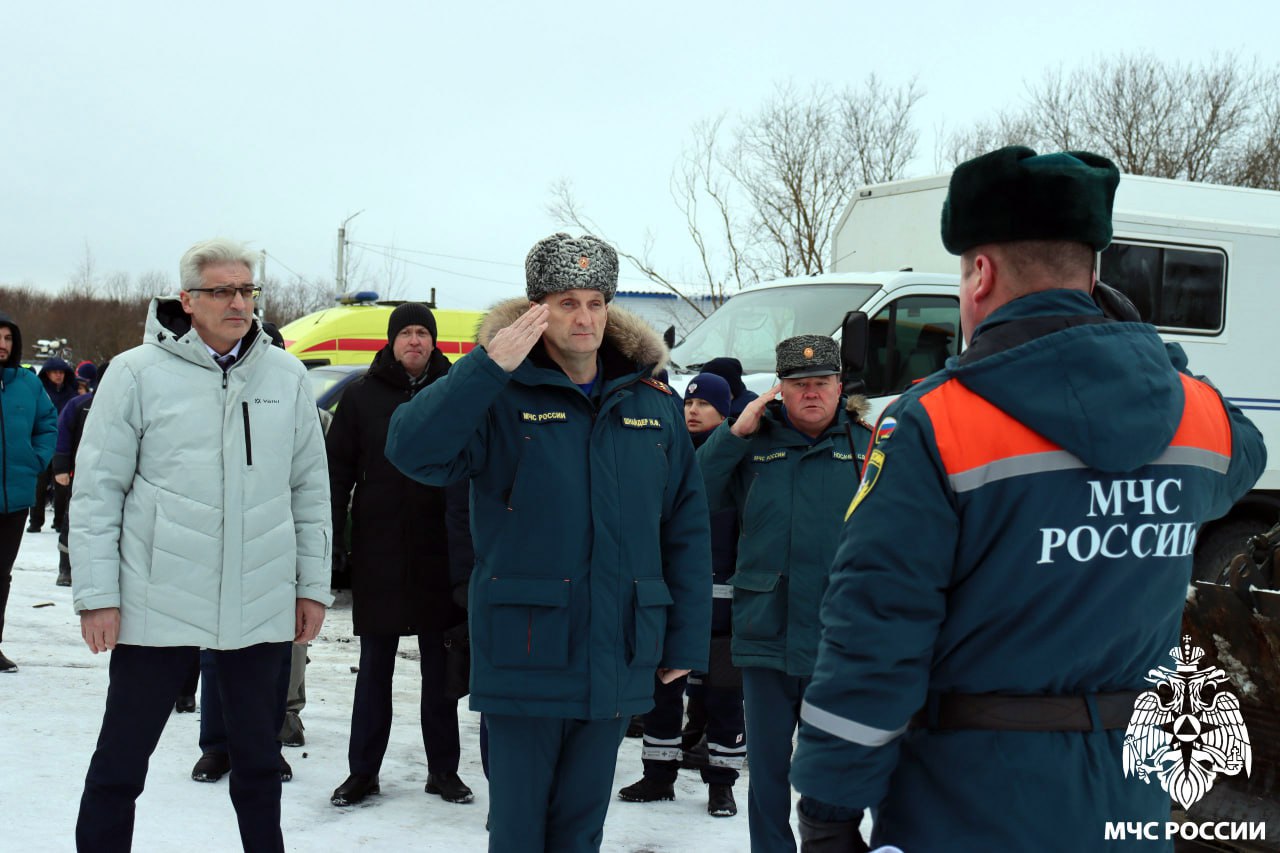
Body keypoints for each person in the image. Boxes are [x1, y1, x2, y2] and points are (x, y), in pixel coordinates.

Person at [790, 147, 1269, 852]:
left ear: (980, 272)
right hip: (1128, 799)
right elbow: (1247, 454)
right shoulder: (1194, 414)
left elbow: (876, 626)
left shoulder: (934, 421)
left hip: (969, 802)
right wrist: (1146, 356)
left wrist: (829, 810)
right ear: (1095, 274)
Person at [385, 232, 711, 853]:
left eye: (595, 301)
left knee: (581, 829)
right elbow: (412, 451)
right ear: (537, 308)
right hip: (526, 649)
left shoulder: (653, 402)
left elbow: (685, 528)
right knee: (517, 830)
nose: (583, 317)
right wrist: (485, 367)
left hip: (619, 647)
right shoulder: (498, 395)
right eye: (566, 302)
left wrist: (685, 634)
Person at [71, 238, 332, 853]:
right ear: (187, 300)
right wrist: (97, 596)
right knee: (120, 764)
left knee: (260, 765)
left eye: (247, 291)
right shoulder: (136, 373)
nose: (238, 302)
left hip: (258, 599)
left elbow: (309, 490)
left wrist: (311, 588)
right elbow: (97, 491)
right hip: (154, 601)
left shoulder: (286, 375)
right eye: (222, 291)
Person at [697, 334, 872, 853]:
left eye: (822, 383)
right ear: (779, 391)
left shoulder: (869, 447)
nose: (811, 393)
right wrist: (734, 430)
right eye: (799, 385)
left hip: (840, 638)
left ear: (840, 387)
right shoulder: (751, 444)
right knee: (769, 771)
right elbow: (693, 493)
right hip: (766, 632)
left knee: (835, 768)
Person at [326, 302, 477, 808]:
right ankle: (362, 773)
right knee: (375, 671)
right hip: (380, 551)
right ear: (392, 341)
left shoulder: (456, 396)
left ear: (434, 342)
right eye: (405, 333)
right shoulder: (360, 397)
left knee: (441, 672)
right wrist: (334, 546)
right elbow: (336, 473)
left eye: (422, 333)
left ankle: (444, 772)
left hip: (441, 554)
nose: (414, 340)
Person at [618, 372, 746, 818]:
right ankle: (658, 776)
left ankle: (721, 786)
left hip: (724, 601)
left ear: (725, 411)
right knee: (661, 691)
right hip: (668, 596)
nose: (692, 410)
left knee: (723, 696)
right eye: (689, 403)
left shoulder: (737, 458)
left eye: (705, 404)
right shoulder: (665, 448)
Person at [0, 312, 58, 672]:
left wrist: (35, 460)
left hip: (16, 497)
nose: (2, 345)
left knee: (0, 576)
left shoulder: (28, 383)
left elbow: (47, 423)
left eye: (7, 339)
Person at [52, 363, 106, 587]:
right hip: (81, 474)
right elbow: (62, 436)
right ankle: (66, 567)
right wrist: (61, 468)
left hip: (116, 477)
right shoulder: (80, 405)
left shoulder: (131, 405)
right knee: (73, 520)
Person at [28, 355, 75, 534]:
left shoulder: (70, 393)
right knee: (39, 485)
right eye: (55, 372)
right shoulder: (40, 392)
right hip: (43, 443)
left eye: (61, 372)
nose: (58, 375)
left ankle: (59, 520)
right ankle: (35, 521)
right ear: (47, 374)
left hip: (63, 445)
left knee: (62, 486)